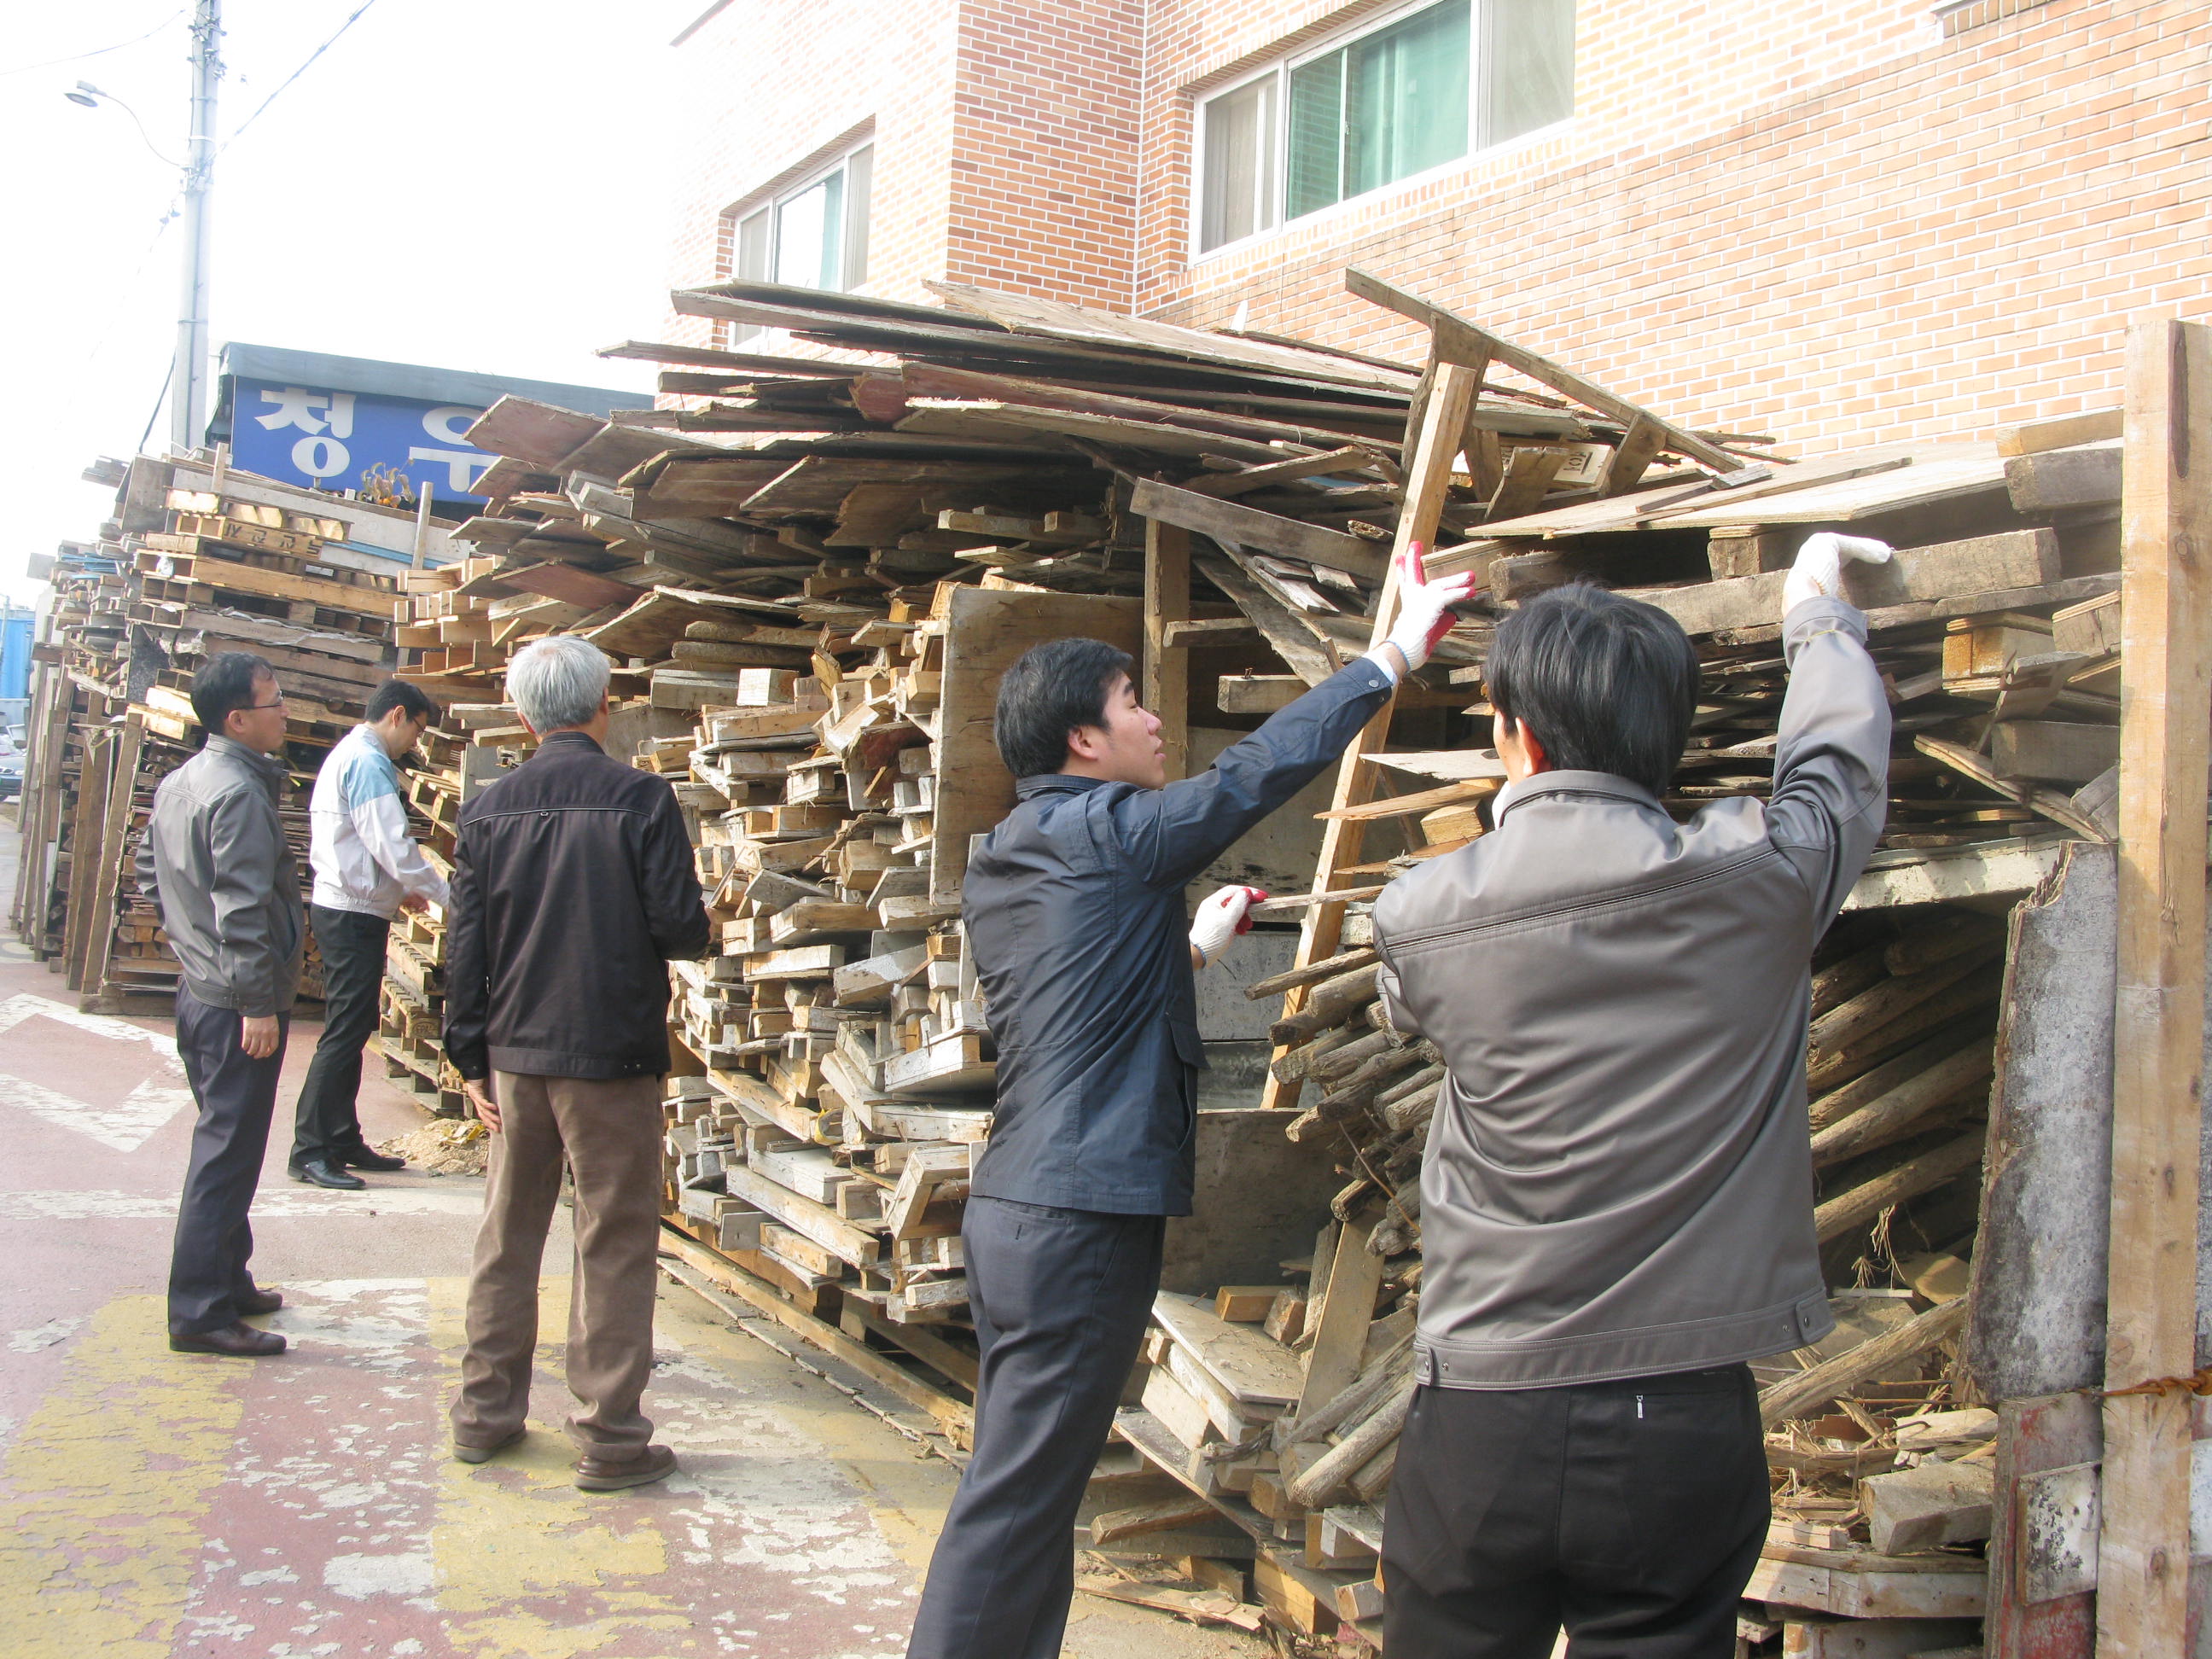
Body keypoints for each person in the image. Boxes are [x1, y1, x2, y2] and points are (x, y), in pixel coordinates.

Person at [904, 546, 1479, 1659]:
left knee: (1027, 1491)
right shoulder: (1113, 834)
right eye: (1133, 704)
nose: (1156, 722)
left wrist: (1187, 944)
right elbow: (1254, 775)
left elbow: (1077, 998)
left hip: (1024, 1206)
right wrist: (1391, 655)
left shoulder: (1020, 853)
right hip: (1077, 1223)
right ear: (1085, 739)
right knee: (1017, 1503)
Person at [1371, 533, 1896, 1657]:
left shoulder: (1422, 916)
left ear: (1519, 734)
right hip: (1682, 1426)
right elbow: (1837, 773)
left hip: (1482, 1419)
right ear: (1666, 737)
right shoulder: (1766, 878)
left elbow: (1406, 1012)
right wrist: (1818, 614)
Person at [443, 633, 712, 1490]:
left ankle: (484, 1415)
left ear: (523, 717)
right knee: (615, 1237)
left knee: (507, 1235)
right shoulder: (641, 800)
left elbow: (464, 948)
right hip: (610, 1054)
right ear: (607, 706)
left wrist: (468, 1056)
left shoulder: (486, 811)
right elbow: (681, 930)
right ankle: (609, 1436)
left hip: (516, 1054)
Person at [138, 651, 306, 1358]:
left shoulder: (186, 781)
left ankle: (227, 1279)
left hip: (202, 989)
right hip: (234, 1001)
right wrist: (254, 1004)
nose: (285, 712)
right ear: (237, 719)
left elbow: (153, 875)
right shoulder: (236, 793)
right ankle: (200, 1311)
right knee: (225, 1154)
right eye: (273, 703)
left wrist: (191, 947)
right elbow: (240, 908)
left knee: (229, 1145)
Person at [287, 678, 448, 1190]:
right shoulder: (368, 761)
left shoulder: (356, 756)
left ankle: (340, 1136)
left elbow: (364, 844)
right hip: (350, 914)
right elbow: (392, 844)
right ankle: (310, 1148)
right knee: (343, 1032)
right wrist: (450, 899)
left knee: (354, 1028)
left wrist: (395, 890)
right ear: (397, 715)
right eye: (418, 731)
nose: (416, 744)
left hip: (355, 906)